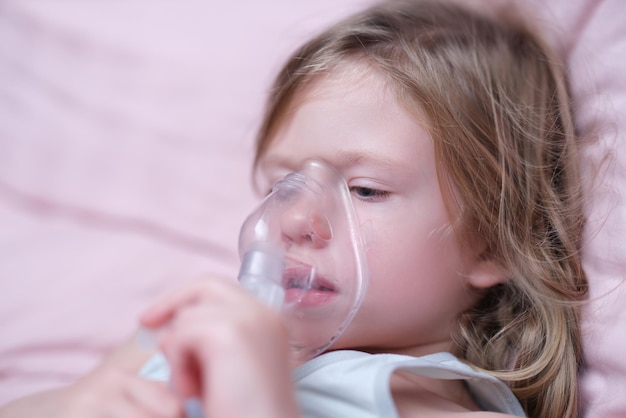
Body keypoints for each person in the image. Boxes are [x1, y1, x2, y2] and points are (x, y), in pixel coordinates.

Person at [0, 1, 587, 417]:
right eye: (282, 183)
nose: (292, 219)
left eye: (365, 190)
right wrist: (80, 401)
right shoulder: (194, 329)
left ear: (494, 243)